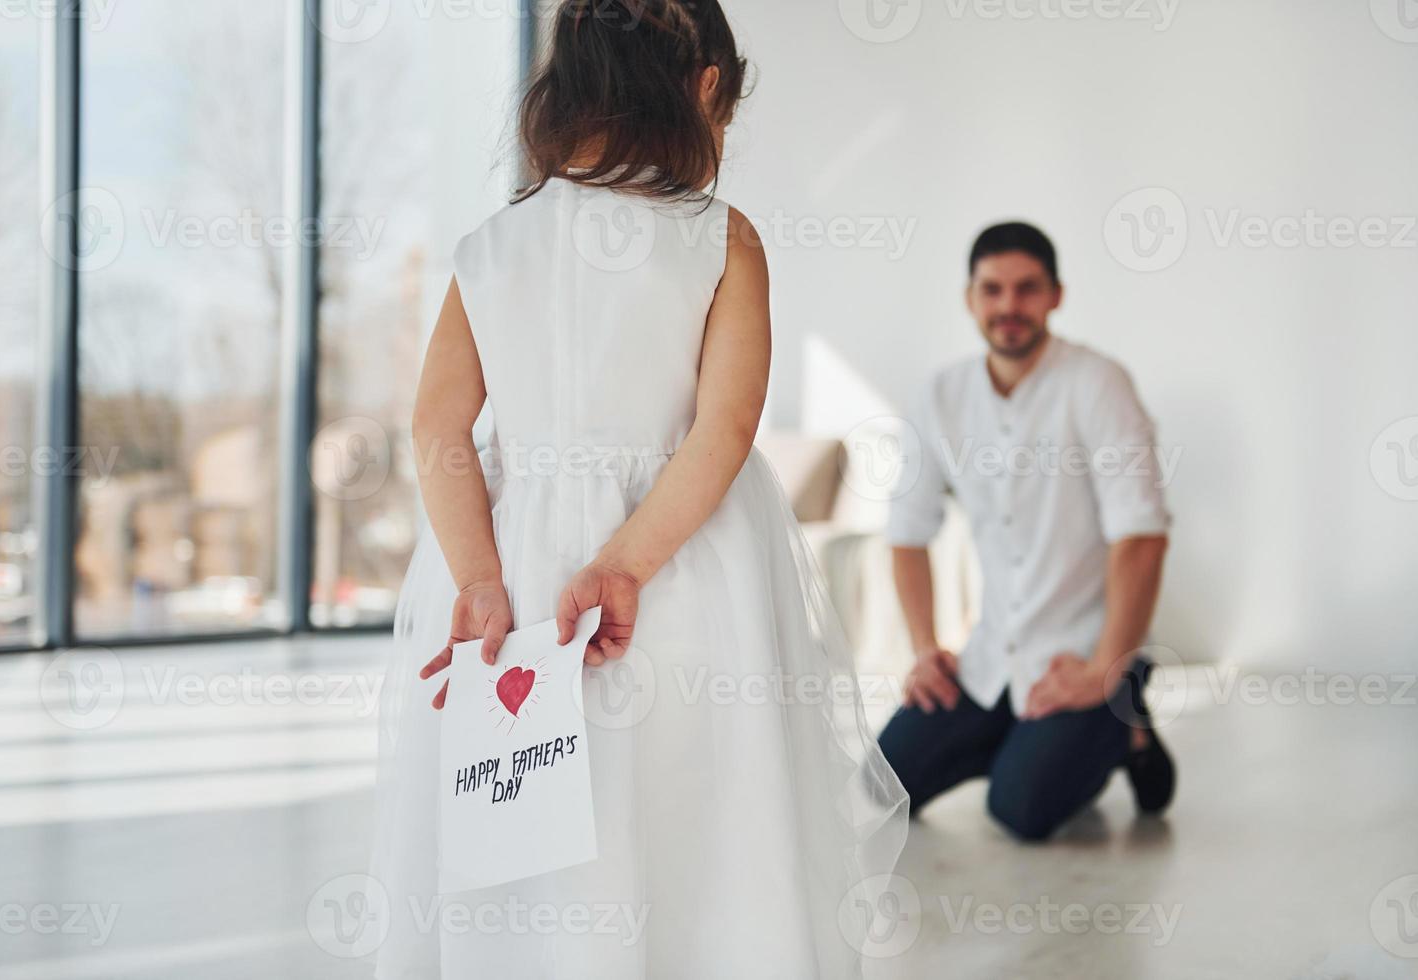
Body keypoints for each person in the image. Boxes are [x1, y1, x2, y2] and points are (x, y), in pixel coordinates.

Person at [368, 2, 908, 976]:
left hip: (520, 571)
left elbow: (438, 427)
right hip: (680, 563)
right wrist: (621, 562)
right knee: (697, 812)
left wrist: (482, 582)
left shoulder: (491, 247)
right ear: (706, 85)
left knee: (526, 834)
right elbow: (727, 428)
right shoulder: (720, 238)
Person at [878, 221, 1176, 843]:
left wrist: (1104, 670)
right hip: (991, 656)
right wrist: (925, 650)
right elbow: (907, 533)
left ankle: (1128, 720)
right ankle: (1025, 739)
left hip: (1085, 653)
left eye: (1026, 289)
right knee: (887, 784)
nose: (1008, 306)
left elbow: (1142, 537)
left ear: (1055, 296)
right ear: (971, 299)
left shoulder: (1098, 384)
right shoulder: (941, 394)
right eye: (992, 290)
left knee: (1020, 810)